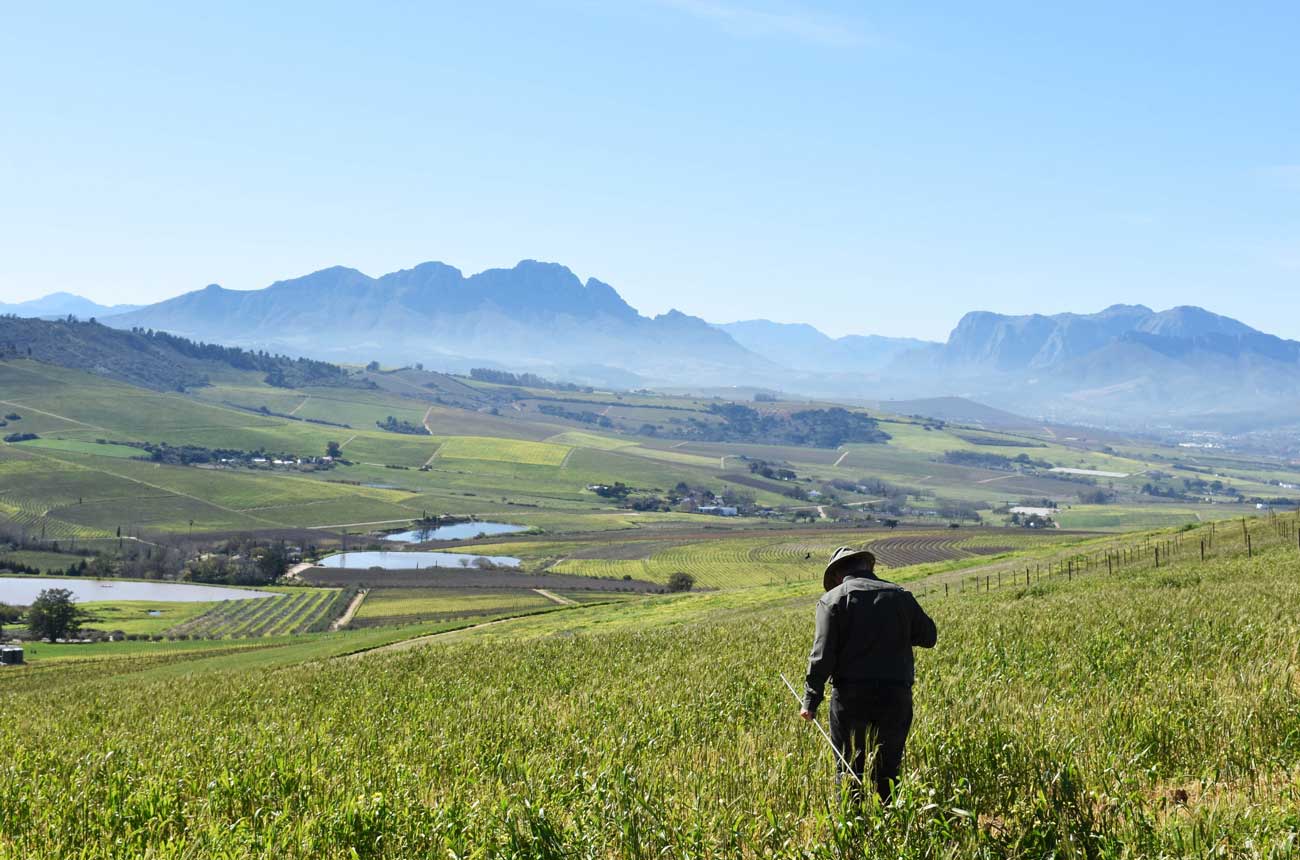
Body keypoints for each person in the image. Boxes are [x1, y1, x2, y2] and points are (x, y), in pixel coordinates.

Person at [800, 546, 937, 802]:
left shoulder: (833, 600)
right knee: (888, 770)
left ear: (838, 575)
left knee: (849, 769)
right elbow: (929, 637)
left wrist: (810, 700)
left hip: (851, 698)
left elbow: (822, 655)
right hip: (896, 695)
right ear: (868, 567)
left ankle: (853, 832)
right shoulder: (900, 595)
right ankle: (890, 827)